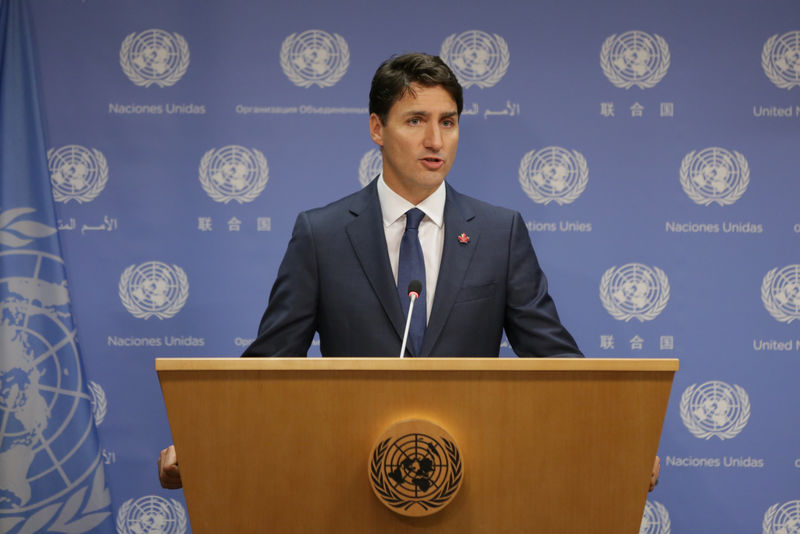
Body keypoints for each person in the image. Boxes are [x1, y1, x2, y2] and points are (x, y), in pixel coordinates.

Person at [159, 52, 660, 490]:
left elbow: (554, 357)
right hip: (351, 479)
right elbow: (269, 363)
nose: (435, 140)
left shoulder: (499, 232)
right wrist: (202, 443)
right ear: (377, 128)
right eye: (415, 120)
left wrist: (619, 438)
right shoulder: (323, 234)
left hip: (473, 479)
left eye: (449, 121)